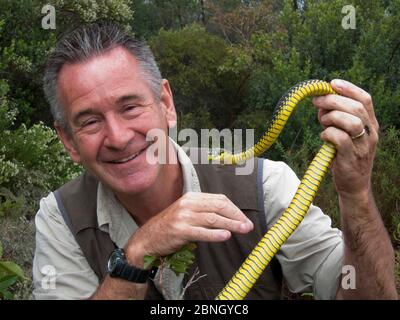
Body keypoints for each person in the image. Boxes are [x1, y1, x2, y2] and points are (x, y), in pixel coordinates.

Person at [33, 22, 397, 300]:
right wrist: (136, 256)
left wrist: (356, 194)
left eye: (130, 107)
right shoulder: (60, 218)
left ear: (166, 104)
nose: (118, 137)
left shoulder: (265, 186)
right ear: (68, 140)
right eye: (90, 121)